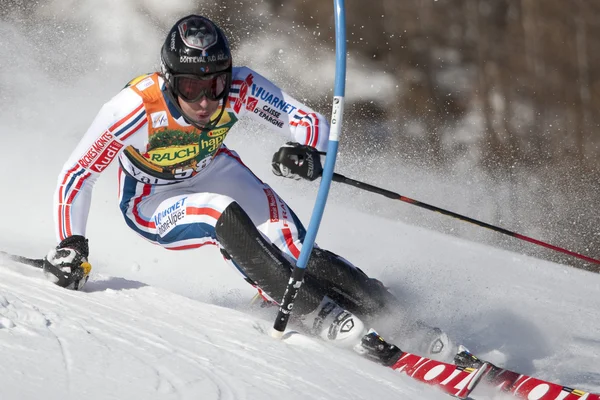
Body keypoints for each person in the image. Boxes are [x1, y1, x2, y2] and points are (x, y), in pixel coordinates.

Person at [43, 14, 452, 365]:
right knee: (217, 211)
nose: (205, 101)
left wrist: (306, 150)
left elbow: (310, 123)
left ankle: (395, 316)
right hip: (152, 198)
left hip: (214, 170)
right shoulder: (133, 108)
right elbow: (78, 172)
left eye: (215, 86)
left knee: (295, 247)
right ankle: (315, 311)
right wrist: (71, 244)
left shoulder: (241, 86)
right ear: (169, 80)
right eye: (190, 88)